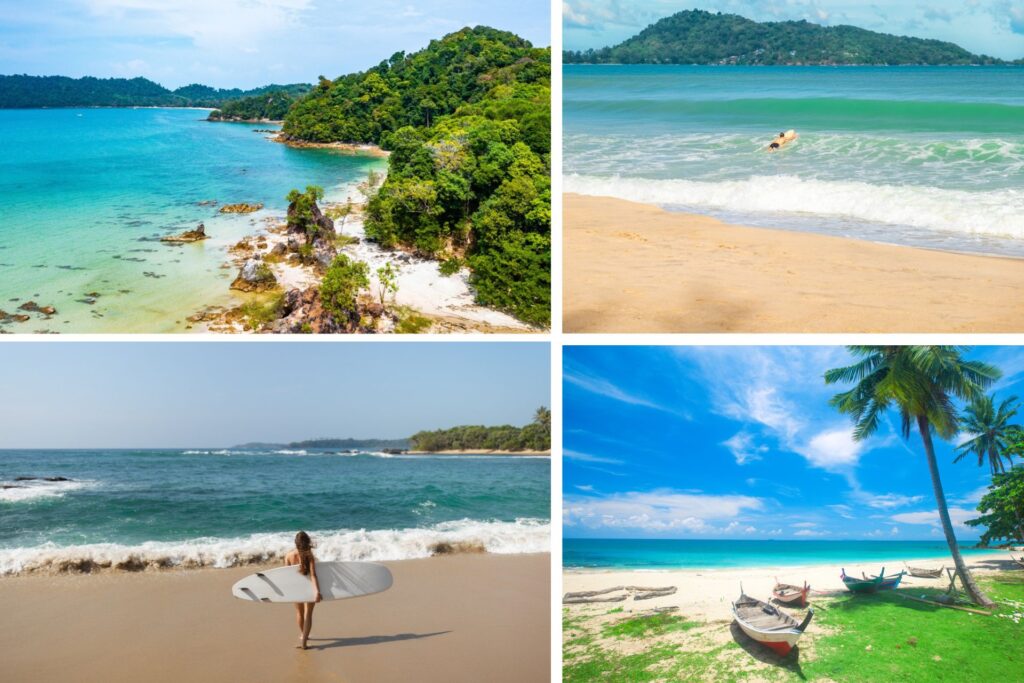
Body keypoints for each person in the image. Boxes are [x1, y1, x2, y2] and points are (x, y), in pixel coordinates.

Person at [285, 531, 322, 649]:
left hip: (296, 588)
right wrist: (317, 591)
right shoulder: (309, 556)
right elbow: (313, 575)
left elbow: (287, 575)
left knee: (299, 613)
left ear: (296, 543)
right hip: (309, 587)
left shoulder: (288, 556)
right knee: (308, 614)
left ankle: (303, 635)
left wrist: (288, 591)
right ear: (307, 542)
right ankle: (304, 642)